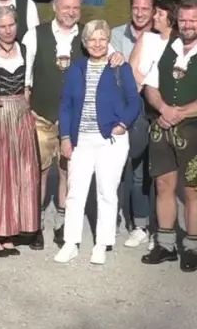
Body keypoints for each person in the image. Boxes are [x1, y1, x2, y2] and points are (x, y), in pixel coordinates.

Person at [141, 0, 197, 272]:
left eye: (193, 20)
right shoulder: (168, 46)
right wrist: (162, 108)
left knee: (193, 190)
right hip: (163, 125)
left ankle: (191, 246)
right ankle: (166, 244)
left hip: (195, 129)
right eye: (183, 20)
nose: (187, 25)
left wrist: (180, 113)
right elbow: (150, 86)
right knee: (163, 186)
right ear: (177, 21)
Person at [57, 20, 141, 264]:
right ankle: (70, 242)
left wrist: (122, 124)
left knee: (106, 191)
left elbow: (134, 101)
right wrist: (65, 137)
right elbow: (66, 105)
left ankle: (102, 243)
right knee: (75, 191)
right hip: (81, 139)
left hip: (109, 140)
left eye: (102, 39)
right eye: (92, 39)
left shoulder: (120, 68)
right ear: (84, 43)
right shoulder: (76, 69)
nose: (97, 44)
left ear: (108, 42)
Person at [0, 6, 41, 256]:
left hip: (20, 117)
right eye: (2, 26)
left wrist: (27, 112)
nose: (7, 30)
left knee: (19, 173)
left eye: (11, 25)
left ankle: (12, 228)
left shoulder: (24, 49)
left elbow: (26, 88)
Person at [28, 0, 86, 247]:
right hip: (41, 114)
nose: (71, 12)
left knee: (67, 171)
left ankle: (63, 224)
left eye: (75, 8)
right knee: (38, 172)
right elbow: (25, 79)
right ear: (55, 6)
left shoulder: (87, 37)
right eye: (66, 7)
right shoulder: (35, 35)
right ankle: (35, 223)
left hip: (73, 118)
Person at [112, 0, 158, 249]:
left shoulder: (162, 36)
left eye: (145, 9)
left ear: (153, 11)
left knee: (149, 170)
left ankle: (144, 222)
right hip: (127, 109)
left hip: (154, 108)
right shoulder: (118, 35)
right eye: (136, 8)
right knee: (125, 167)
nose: (140, 13)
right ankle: (120, 216)